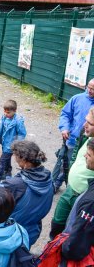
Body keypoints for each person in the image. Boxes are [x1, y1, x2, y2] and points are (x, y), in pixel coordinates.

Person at [0, 140, 54, 247]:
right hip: (32, 232)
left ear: (25, 161)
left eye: (16, 156)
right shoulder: (49, 179)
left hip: (12, 234)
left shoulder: (16, 185)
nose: (14, 158)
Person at [50, 107, 94, 239]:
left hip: (83, 197)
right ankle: (51, 249)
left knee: (71, 231)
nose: (84, 125)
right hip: (70, 189)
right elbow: (75, 152)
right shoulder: (85, 133)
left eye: (90, 123)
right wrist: (71, 169)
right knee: (57, 222)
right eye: (86, 120)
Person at [55, 78, 94, 189]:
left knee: (81, 165)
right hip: (72, 139)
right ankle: (56, 184)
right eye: (89, 87)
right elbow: (65, 114)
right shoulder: (77, 98)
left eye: (93, 89)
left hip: (89, 143)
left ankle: (74, 186)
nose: (90, 90)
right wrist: (64, 128)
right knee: (64, 162)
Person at [61, 138, 94, 263]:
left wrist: (65, 249)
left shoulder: (91, 202)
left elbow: (76, 242)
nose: (85, 155)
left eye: (89, 154)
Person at [0, 99, 27, 183]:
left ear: (14, 111)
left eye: (8, 112)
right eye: (5, 112)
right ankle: (8, 172)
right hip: (5, 143)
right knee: (6, 159)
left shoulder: (18, 121)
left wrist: (16, 146)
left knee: (2, 160)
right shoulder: (4, 118)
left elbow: (22, 134)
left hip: (11, 145)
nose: (6, 114)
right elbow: (1, 130)